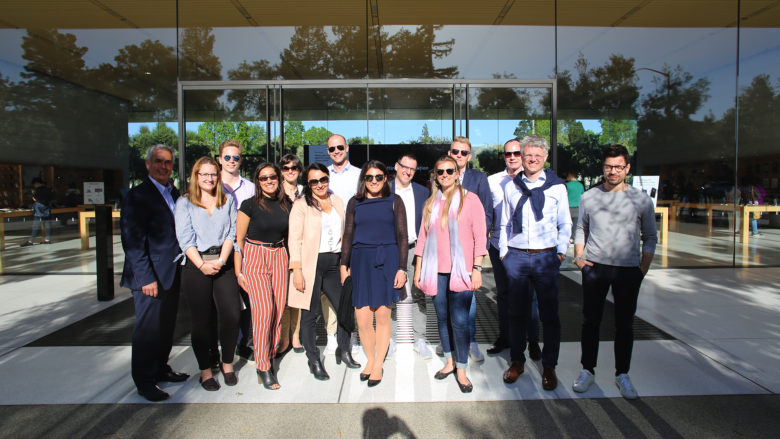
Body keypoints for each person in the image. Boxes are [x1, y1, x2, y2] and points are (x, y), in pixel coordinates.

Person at [572, 144, 657, 400]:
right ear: (603, 167)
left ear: (627, 168)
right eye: (609, 166)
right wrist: (579, 258)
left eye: (618, 166)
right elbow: (580, 229)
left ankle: (622, 374)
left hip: (628, 270)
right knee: (590, 322)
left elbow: (651, 237)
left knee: (624, 324)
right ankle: (587, 370)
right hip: (595, 268)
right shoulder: (589, 197)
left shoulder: (640, 200)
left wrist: (642, 268)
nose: (613, 171)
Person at [499, 135, 571, 391]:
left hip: (545, 257)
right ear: (522, 155)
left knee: (549, 314)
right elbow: (505, 223)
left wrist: (560, 252)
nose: (532, 159)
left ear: (545, 158)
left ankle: (549, 365)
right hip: (517, 257)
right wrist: (505, 254)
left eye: (537, 156)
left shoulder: (557, 187)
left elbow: (565, 223)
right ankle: (517, 361)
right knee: (516, 313)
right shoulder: (511, 187)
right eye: (528, 155)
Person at [120, 144, 189, 402]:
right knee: (148, 330)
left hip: (170, 272)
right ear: (148, 165)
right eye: (158, 162)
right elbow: (133, 241)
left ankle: (160, 368)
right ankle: (144, 381)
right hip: (149, 277)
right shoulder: (137, 196)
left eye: (168, 162)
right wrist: (146, 277)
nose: (164, 166)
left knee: (165, 327)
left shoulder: (172, 192)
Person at [414, 156, 487, 394]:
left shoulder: (470, 199)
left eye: (449, 171)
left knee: (461, 321)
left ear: (457, 173)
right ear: (435, 175)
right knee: (442, 319)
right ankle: (449, 361)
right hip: (436, 271)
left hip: (462, 271)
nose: (444, 175)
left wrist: (477, 269)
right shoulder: (430, 202)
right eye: (440, 171)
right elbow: (423, 238)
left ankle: (462, 370)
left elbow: (480, 237)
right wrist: (418, 269)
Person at [174, 156, 241, 392]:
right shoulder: (185, 202)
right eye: (204, 174)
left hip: (223, 262)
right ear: (196, 176)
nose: (209, 178)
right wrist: (202, 265)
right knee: (201, 321)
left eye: (213, 174)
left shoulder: (227, 200)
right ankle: (205, 371)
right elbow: (184, 239)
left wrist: (222, 260)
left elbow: (231, 233)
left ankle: (227, 364)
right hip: (195, 264)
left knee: (232, 315)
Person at [288, 163, 360, 381]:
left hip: (334, 263)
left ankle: (344, 350)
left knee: (345, 309)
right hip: (311, 264)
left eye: (323, 180)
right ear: (308, 184)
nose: (319, 184)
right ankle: (314, 360)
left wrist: (345, 264)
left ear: (328, 179)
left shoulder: (337, 200)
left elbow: (346, 232)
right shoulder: (301, 205)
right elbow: (294, 239)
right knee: (310, 315)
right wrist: (297, 270)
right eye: (314, 181)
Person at [341, 161, 409, 387]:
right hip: (360, 261)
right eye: (369, 177)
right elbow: (348, 234)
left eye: (378, 177)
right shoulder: (355, 202)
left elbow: (402, 236)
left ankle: (378, 363)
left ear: (385, 178)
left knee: (382, 315)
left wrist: (402, 267)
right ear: (363, 179)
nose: (374, 181)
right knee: (362, 318)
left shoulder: (394, 201)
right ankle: (370, 359)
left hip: (386, 259)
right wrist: (344, 264)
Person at [234, 163, 291, 390]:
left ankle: (268, 351)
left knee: (277, 310)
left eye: (272, 176)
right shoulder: (249, 205)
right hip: (255, 255)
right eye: (263, 177)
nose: (269, 181)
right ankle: (263, 366)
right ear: (257, 181)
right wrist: (239, 272)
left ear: (278, 178)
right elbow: (238, 240)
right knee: (263, 312)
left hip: (279, 255)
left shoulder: (286, 203)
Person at [486, 139, 541, 361]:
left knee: (530, 296)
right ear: (504, 156)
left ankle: (533, 340)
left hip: (525, 249)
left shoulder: (535, 180)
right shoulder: (492, 182)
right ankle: (505, 337)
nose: (512, 157)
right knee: (504, 294)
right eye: (508, 153)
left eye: (516, 153)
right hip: (499, 245)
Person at [447, 136, 491, 363]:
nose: (459, 156)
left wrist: (479, 249)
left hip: (468, 248)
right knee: (446, 297)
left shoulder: (479, 178)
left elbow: (487, 213)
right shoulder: (441, 175)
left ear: (469, 156)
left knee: (469, 298)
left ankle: (471, 340)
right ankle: (451, 343)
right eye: (455, 151)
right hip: (445, 248)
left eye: (463, 153)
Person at [390, 153, 433, 359]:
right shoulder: (384, 189)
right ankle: (389, 339)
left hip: (415, 250)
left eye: (412, 169)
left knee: (418, 294)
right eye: (404, 167)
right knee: (390, 295)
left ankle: (420, 339)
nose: (408, 171)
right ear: (396, 166)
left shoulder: (421, 192)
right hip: (391, 250)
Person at [219, 139, 256, 362]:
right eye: (227, 157)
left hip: (245, 250)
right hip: (218, 252)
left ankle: (243, 343)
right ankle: (223, 348)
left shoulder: (250, 188)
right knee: (225, 304)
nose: (231, 161)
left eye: (235, 157)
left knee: (247, 301)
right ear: (220, 159)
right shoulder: (211, 185)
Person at [323, 134, 359, 353]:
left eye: (339, 147)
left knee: (352, 288)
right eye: (331, 148)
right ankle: (331, 335)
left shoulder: (359, 175)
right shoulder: (322, 175)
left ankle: (350, 335)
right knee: (328, 292)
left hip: (353, 239)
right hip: (329, 242)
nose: (336, 151)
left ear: (346, 147)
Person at [277, 154, 305, 354]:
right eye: (286, 168)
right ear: (281, 171)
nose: (290, 171)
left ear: (299, 170)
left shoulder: (305, 192)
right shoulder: (274, 192)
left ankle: (296, 337)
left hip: (302, 248)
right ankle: (284, 338)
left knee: (298, 294)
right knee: (283, 297)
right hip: (280, 249)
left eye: (293, 167)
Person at [20, 177, 54, 246]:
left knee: (36, 225)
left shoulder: (37, 190)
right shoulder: (49, 189)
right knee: (47, 224)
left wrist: (33, 194)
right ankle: (47, 239)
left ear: (36, 183)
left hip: (39, 209)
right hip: (47, 208)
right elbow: (52, 198)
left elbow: (35, 199)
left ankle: (30, 241)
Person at [565, 171, 585, 236]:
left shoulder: (567, 185)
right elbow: (583, 196)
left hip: (568, 208)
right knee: (576, 225)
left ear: (570, 176)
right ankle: (573, 238)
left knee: (567, 224)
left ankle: (568, 237)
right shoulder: (580, 185)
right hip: (577, 207)